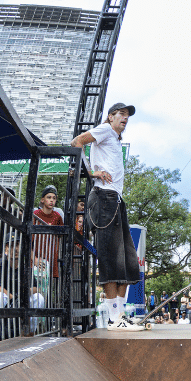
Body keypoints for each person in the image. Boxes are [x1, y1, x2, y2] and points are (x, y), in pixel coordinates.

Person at [71, 103, 143, 330]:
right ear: (110, 117)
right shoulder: (104, 130)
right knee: (110, 259)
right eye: (121, 114)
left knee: (129, 263)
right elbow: (77, 142)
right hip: (103, 198)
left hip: (116, 200)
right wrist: (92, 173)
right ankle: (114, 318)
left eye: (127, 116)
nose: (125, 118)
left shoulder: (114, 139)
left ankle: (120, 315)